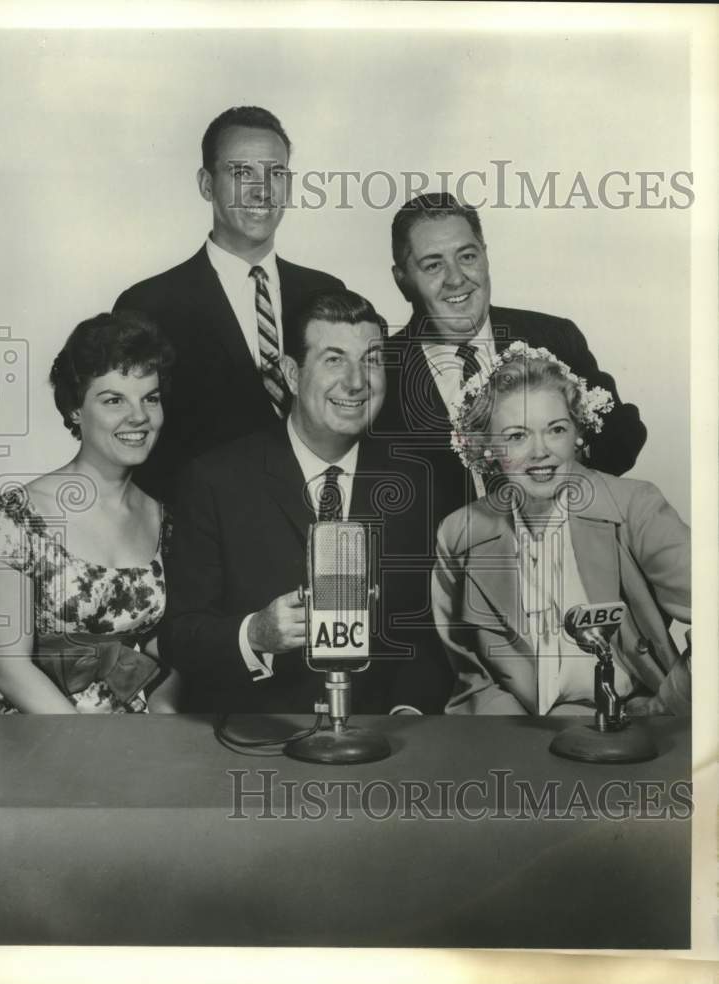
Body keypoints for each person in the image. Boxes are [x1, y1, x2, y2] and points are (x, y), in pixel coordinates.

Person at [161, 288, 452, 714]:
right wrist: (253, 634)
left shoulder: (416, 484)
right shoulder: (215, 480)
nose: (356, 382)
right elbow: (178, 636)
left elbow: (428, 636)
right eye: (334, 359)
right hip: (256, 741)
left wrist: (407, 714)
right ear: (292, 375)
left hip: (382, 745)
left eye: (371, 360)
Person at [432, 342, 690, 716]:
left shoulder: (635, 506)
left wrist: (665, 711)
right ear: (486, 448)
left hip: (637, 733)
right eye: (517, 436)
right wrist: (522, 745)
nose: (540, 451)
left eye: (555, 429)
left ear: (578, 435)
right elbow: (474, 678)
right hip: (517, 739)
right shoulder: (460, 533)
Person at [375, 193, 647, 531]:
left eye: (467, 256)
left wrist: (567, 461)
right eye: (433, 265)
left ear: (486, 256)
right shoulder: (379, 370)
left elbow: (624, 429)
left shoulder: (553, 337)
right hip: (441, 574)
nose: (457, 278)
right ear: (402, 279)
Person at [114, 105, 344, 501]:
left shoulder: (326, 294)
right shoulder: (148, 306)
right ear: (206, 184)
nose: (262, 190)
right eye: (241, 173)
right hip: (199, 540)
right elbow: (132, 445)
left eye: (276, 174)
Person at [0, 312, 178, 714]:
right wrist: (89, 748)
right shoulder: (19, 516)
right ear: (74, 411)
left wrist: (164, 718)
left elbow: (166, 647)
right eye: (113, 399)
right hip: (41, 732)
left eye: (150, 398)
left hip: (136, 735)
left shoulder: (164, 518)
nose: (138, 416)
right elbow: (8, 667)